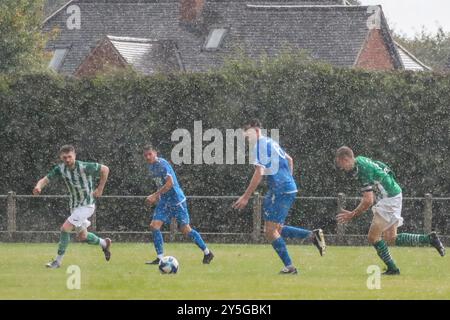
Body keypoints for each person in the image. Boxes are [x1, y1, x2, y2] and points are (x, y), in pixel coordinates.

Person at [233, 119, 326, 275]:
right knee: (276, 228)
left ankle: (290, 267)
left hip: (280, 189)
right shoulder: (271, 142)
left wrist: (246, 196)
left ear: (256, 131)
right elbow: (290, 160)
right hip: (288, 188)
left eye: (248, 136)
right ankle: (312, 236)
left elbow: (259, 173)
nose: (247, 140)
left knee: (270, 231)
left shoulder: (259, 146)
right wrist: (288, 180)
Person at [335, 146, 445, 275]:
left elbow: (368, 201)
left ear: (346, 159)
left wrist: (352, 214)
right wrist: (389, 181)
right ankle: (429, 239)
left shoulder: (362, 169)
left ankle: (393, 269)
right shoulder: (360, 160)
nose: (341, 168)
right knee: (390, 238)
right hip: (394, 194)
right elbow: (381, 166)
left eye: (340, 164)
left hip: (389, 199)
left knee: (373, 237)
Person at [33, 145, 112, 268]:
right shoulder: (60, 169)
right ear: (61, 158)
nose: (68, 160)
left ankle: (58, 262)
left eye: (70, 156)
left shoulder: (84, 166)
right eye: (65, 157)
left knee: (65, 228)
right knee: (83, 236)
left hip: (87, 205)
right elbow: (45, 179)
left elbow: (105, 169)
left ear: (74, 155)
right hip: (75, 206)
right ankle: (104, 243)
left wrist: (100, 189)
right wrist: (38, 186)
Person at [143, 144, 214, 265]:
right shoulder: (151, 167)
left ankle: (207, 253)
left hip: (177, 201)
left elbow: (170, 183)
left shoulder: (162, 164)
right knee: (154, 226)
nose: (148, 157)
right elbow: (162, 185)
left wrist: (154, 195)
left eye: (150, 154)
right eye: (145, 155)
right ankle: (160, 258)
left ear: (155, 153)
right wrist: (158, 197)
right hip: (165, 202)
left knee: (186, 229)